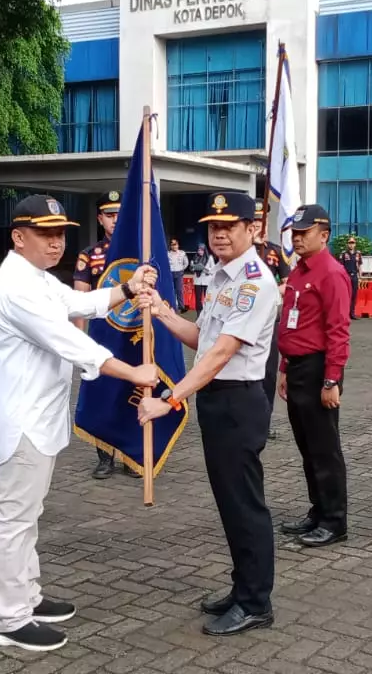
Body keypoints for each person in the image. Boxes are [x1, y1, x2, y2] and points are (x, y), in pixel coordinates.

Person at [0, 195, 160, 652]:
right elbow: (71, 343)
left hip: (37, 416)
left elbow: (83, 302)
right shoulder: (16, 287)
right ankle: (9, 619)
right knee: (15, 517)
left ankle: (28, 596)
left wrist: (126, 286)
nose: (56, 242)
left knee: (29, 514)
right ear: (19, 238)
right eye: (45, 234)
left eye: (60, 233)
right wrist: (134, 372)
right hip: (21, 419)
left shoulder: (37, 278)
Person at [135, 191, 282, 637]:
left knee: (245, 506)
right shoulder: (220, 275)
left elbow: (221, 354)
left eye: (229, 226)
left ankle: (256, 602)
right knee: (229, 503)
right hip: (217, 400)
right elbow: (202, 336)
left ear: (251, 229)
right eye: (213, 227)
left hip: (239, 400)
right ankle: (243, 588)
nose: (219, 234)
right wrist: (161, 312)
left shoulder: (255, 282)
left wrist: (170, 398)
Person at [275, 204, 352, 548]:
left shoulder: (331, 273)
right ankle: (318, 510)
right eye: (294, 232)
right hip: (297, 367)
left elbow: (338, 331)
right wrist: (283, 368)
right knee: (307, 447)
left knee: (325, 450)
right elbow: (291, 322)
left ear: (324, 235)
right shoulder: (298, 271)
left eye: (304, 233)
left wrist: (332, 380)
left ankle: (334, 521)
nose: (297, 238)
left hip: (319, 368)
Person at [72, 191, 140, 480]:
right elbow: (78, 300)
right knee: (102, 393)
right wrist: (78, 340)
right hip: (102, 333)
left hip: (134, 334)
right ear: (100, 219)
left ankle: (132, 455)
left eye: (119, 214)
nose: (115, 220)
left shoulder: (140, 252)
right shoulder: (89, 255)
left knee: (133, 392)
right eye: (109, 215)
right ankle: (105, 457)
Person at [253, 200, 291, 427]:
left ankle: (264, 421)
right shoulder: (241, 251)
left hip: (269, 319)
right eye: (256, 221)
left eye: (262, 221)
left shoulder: (275, 251)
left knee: (268, 372)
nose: (260, 225)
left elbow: (288, 283)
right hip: (243, 318)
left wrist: (269, 292)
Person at [337, 236, 363, 319]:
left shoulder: (358, 254)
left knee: (354, 295)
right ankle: (345, 314)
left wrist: (360, 276)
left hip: (354, 276)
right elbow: (341, 266)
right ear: (347, 244)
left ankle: (352, 313)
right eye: (350, 243)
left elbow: (359, 266)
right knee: (346, 295)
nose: (351, 245)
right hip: (346, 276)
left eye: (353, 243)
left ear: (355, 244)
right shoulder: (344, 254)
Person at [167, 238, 190, 312]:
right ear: (170, 246)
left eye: (175, 244)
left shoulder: (182, 253)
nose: (174, 246)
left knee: (179, 290)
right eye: (172, 245)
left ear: (178, 245)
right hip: (171, 273)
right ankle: (173, 306)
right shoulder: (168, 254)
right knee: (172, 291)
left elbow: (186, 263)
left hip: (179, 273)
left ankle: (181, 306)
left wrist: (181, 269)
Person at [193, 244, 215, 314]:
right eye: (198, 250)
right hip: (198, 280)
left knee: (207, 297)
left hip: (207, 280)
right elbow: (192, 268)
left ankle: (207, 312)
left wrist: (205, 269)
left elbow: (214, 269)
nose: (200, 251)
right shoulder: (195, 257)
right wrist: (193, 267)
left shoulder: (210, 258)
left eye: (201, 250)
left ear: (204, 250)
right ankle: (198, 313)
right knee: (198, 298)